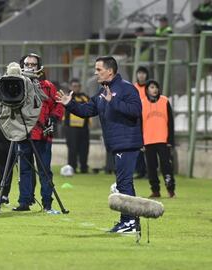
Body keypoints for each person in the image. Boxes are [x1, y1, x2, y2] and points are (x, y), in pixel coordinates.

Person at [56, 56, 143, 233]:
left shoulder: (126, 88)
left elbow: (136, 111)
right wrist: (70, 104)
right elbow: (87, 110)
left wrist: (114, 101)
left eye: (98, 69)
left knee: (124, 183)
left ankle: (129, 222)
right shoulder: (103, 91)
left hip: (126, 143)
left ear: (110, 71)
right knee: (123, 183)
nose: (95, 73)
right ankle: (130, 221)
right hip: (116, 144)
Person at [12, 53, 64, 212]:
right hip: (23, 133)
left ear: (39, 66)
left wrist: (53, 119)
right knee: (25, 169)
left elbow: (59, 105)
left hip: (43, 134)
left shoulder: (48, 86)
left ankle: (47, 203)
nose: (29, 67)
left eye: (33, 64)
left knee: (44, 170)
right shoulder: (16, 84)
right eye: (27, 64)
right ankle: (24, 202)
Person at [141, 79, 176, 198]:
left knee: (166, 166)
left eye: (156, 87)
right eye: (151, 87)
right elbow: (139, 124)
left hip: (163, 140)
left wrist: (170, 140)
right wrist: (140, 141)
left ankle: (170, 189)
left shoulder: (165, 101)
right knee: (151, 167)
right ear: (147, 90)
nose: (154, 89)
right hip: (148, 140)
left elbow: (170, 122)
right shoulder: (142, 103)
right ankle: (155, 190)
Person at [64, 78, 90, 174]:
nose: (76, 88)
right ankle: (72, 167)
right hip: (71, 128)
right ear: (70, 87)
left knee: (84, 148)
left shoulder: (85, 97)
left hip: (83, 127)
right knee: (72, 148)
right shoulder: (67, 96)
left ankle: (84, 167)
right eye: (74, 86)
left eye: (78, 86)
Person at [133, 66, 149, 179]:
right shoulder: (133, 87)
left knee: (148, 145)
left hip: (148, 119)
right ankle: (140, 170)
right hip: (137, 118)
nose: (141, 75)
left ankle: (150, 170)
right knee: (137, 145)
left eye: (143, 73)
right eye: (140, 73)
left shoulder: (150, 88)